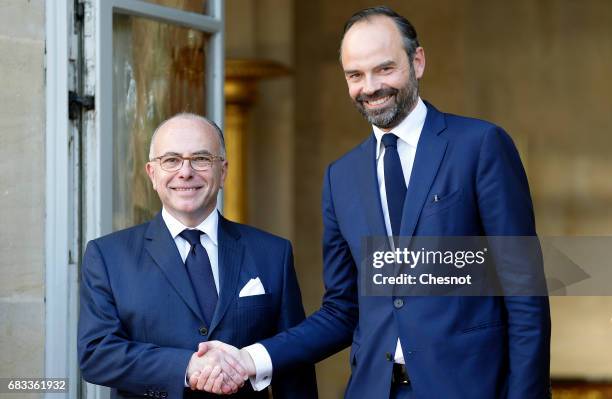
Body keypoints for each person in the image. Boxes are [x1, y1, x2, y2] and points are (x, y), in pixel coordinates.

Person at [192, 6, 551, 399]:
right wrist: (250, 359)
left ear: (418, 61)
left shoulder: (480, 146)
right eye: (355, 75)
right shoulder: (340, 177)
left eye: (384, 69)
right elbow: (342, 311)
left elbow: (524, 292)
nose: (370, 86)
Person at [77, 113, 317, 398]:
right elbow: (97, 354)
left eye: (201, 159)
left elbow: (294, 363)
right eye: (171, 160)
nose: (185, 172)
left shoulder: (272, 253)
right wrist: (187, 367)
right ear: (152, 174)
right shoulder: (107, 256)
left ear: (223, 171)